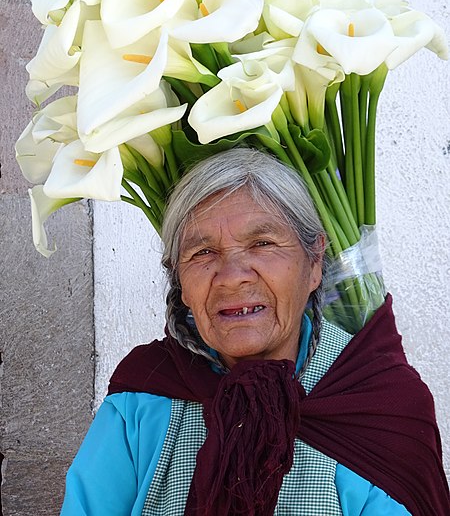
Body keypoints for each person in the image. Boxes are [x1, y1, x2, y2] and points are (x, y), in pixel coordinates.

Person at [61, 148, 449, 516]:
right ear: (179, 280)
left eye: (262, 243)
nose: (231, 277)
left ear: (314, 264)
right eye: (203, 252)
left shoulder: (378, 403)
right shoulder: (142, 400)